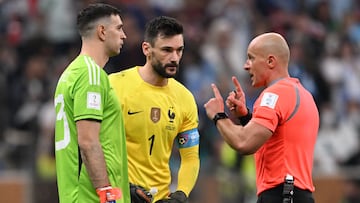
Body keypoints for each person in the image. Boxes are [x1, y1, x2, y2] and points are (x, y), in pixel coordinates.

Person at [204, 32, 319, 203]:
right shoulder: (304, 95)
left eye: (251, 58)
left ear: (270, 61)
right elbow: (274, 141)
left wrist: (218, 115)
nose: (245, 66)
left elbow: (244, 143)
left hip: (281, 195)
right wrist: (245, 117)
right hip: (298, 195)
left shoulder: (274, 94)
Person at [109, 16, 200, 203]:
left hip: (160, 198)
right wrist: (122, 188)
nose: (174, 58)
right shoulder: (115, 86)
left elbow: (190, 157)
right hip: (119, 197)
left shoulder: (185, 98)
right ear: (146, 49)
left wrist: (181, 194)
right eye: (167, 50)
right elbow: (94, 145)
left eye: (179, 50)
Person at [54, 3, 130, 203]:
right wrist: (107, 194)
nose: (124, 36)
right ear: (102, 32)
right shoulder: (91, 74)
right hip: (92, 197)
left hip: (78, 194)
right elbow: (88, 141)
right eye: (119, 28)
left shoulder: (72, 73)